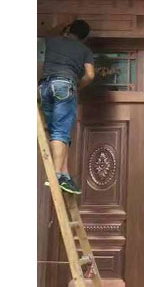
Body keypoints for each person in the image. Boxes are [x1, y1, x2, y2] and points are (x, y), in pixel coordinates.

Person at [38, 17, 96, 194]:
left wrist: (64, 24)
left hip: (44, 87)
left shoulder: (52, 40)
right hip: (64, 85)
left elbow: (46, 33)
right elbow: (90, 75)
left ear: (69, 29)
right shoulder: (84, 50)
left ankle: (64, 174)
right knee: (61, 132)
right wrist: (78, 86)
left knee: (56, 131)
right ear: (84, 37)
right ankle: (56, 175)